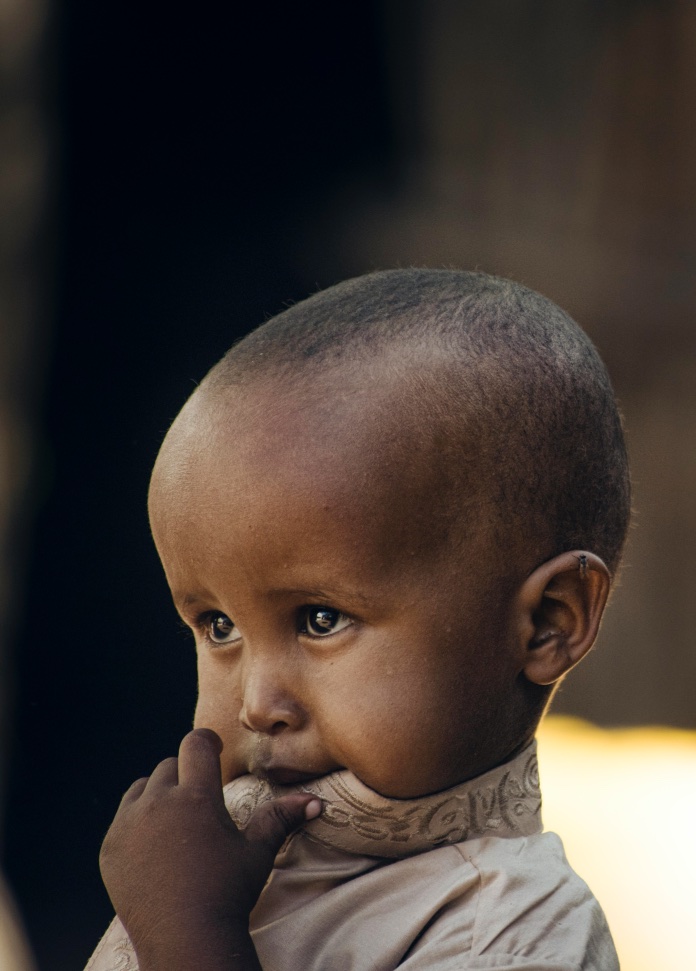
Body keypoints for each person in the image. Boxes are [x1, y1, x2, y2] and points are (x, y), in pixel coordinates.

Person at [85, 269, 629, 971]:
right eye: (219, 626)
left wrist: (188, 934)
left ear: (551, 622)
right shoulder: (223, 864)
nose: (257, 704)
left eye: (319, 618)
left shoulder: (509, 929)